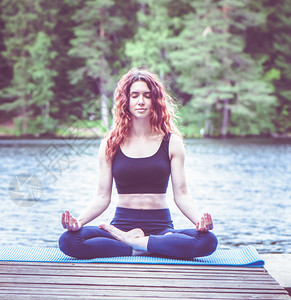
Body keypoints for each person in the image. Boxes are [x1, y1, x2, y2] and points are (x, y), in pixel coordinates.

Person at [58, 67, 218, 259]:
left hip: (160, 228)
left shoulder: (171, 142)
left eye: (147, 95)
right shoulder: (110, 143)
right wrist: (79, 221)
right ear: (126, 100)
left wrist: (198, 221)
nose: (141, 101)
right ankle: (140, 248)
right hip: (120, 226)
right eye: (134, 95)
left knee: (208, 241)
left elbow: (182, 195)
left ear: (155, 100)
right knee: (68, 240)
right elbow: (102, 197)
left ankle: (139, 244)